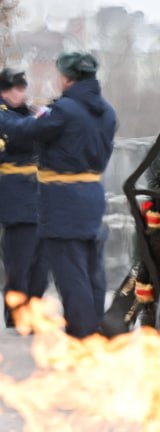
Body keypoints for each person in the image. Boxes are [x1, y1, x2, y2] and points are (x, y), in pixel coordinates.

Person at [0, 52, 115, 338]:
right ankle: (94, 325)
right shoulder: (107, 111)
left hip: (63, 199)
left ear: (66, 78)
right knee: (92, 268)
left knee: (69, 268)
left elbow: (27, 130)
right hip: (91, 193)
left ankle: (82, 332)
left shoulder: (65, 110)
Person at [0, 67, 46, 328]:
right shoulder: (6, 117)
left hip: (39, 196)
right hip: (15, 198)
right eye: (13, 89)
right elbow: (17, 132)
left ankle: (33, 309)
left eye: (22, 88)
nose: (19, 93)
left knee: (41, 266)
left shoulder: (30, 114)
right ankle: (16, 313)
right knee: (19, 263)